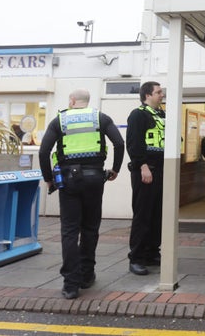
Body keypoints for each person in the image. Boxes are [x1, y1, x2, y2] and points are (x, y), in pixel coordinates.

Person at [39, 88, 124, 300]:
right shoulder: (100, 118)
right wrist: (115, 169)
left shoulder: (60, 120)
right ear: (87, 101)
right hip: (95, 178)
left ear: (72, 100)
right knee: (90, 227)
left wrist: (48, 177)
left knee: (69, 230)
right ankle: (87, 275)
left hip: (68, 180)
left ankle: (71, 285)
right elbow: (119, 143)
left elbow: (43, 151)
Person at [126, 81, 166, 275]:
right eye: (158, 92)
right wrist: (142, 166)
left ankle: (152, 252)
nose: (161, 95)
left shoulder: (162, 115)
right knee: (142, 215)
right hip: (145, 170)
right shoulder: (138, 115)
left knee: (157, 214)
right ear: (147, 95)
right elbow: (133, 143)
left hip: (160, 170)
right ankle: (137, 257)